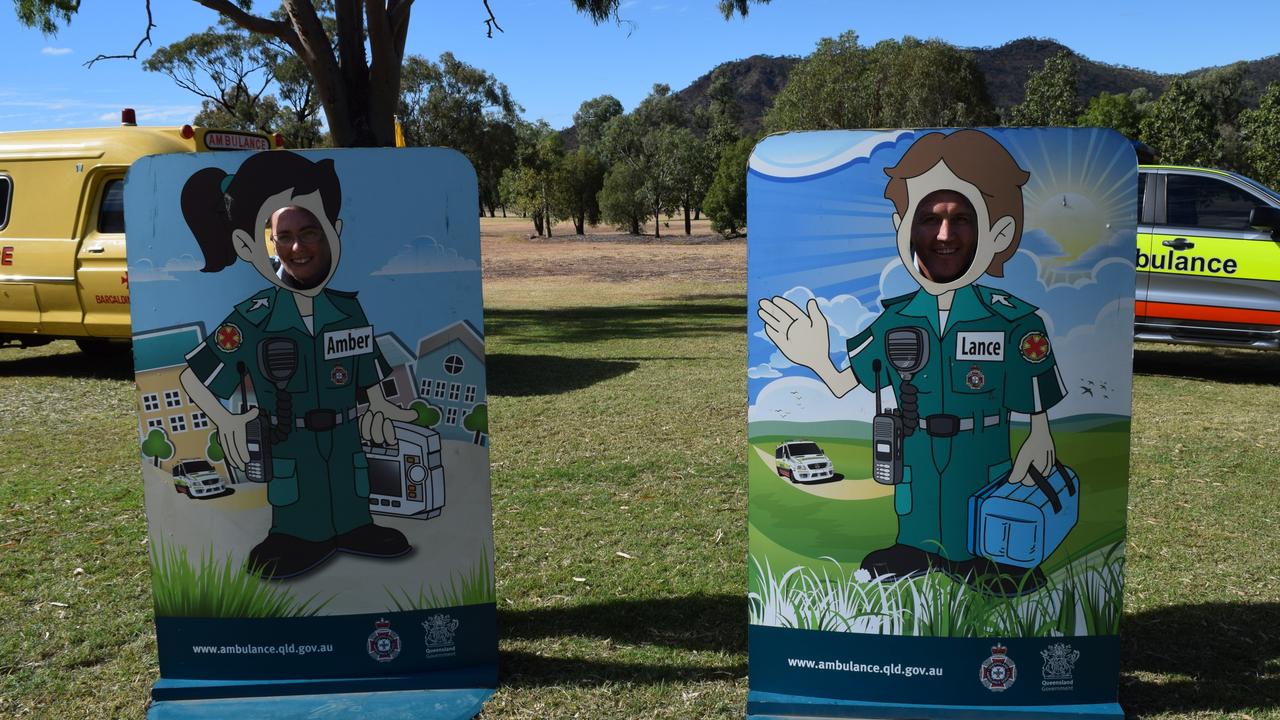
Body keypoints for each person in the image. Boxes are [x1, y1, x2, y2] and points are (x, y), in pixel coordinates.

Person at [757, 130, 1068, 592]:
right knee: (918, 511)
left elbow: (1035, 396)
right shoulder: (894, 320)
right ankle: (916, 551)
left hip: (981, 452)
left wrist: (1040, 436)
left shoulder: (1014, 322)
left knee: (980, 528)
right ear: (901, 227)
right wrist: (815, 359)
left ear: (998, 231)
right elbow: (846, 384)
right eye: (927, 219)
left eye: (961, 218)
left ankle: (984, 562)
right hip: (915, 451)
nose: (944, 236)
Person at [177, 150, 417, 580]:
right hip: (291, 441)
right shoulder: (253, 318)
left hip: (346, 439)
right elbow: (192, 378)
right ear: (250, 246)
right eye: (282, 236)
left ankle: (353, 529)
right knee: (296, 503)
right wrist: (226, 421)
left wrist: (380, 406)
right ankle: (297, 538)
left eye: (311, 232)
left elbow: (369, 372)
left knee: (348, 486)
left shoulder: (348, 312)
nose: (298, 247)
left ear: (334, 232)